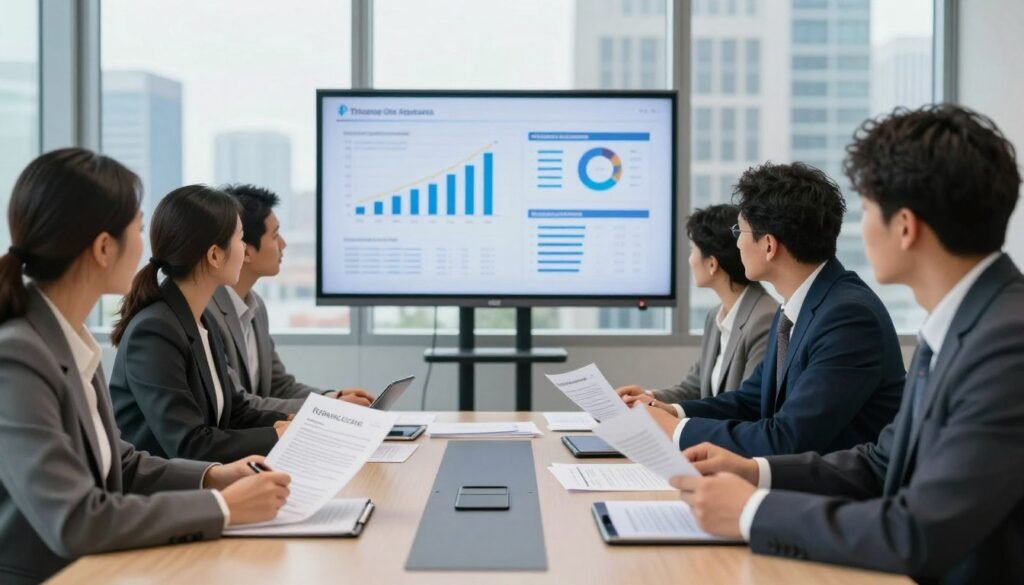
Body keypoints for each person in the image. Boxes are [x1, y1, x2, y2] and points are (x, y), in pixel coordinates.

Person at [672, 105, 1024, 584]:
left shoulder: (1007, 344)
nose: (858, 230)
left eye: (865, 211)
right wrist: (755, 473)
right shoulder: (961, 324)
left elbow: (917, 532)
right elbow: (881, 462)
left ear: (905, 226)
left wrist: (754, 512)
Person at [0, 149, 290, 584]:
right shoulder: (18, 356)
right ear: (103, 247)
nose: (145, 243)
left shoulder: (68, 339)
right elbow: (77, 519)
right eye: (136, 227)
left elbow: (119, 463)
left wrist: (214, 476)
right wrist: (223, 507)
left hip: (104, 565)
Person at [639, 162, 905, 456]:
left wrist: (674, 431)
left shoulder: (848, 318)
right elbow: (750, 401)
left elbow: (787, 438)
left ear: (768, 246)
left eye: (740, 230)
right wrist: (672, 412)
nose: (737, 242)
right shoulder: (794, 308)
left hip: (834, 495)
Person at [110, 185, 290, 462]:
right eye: (240, 239)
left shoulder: (201, 320)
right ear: (215, 255)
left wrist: (297, 424)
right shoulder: (155, 331)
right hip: (162, 495)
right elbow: (190, 444)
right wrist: (278, 436)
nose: (244, 249)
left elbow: (237, 411)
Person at [206, 184, 373, 414]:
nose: (283, 244)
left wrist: (333, 398)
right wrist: (329, 408)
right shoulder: (207, 313)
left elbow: (278, 385)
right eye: (274, 236)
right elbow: (239, 404)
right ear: (245, 249)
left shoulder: (256, 307)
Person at [617, 204, 776, 402]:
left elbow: (747, 405)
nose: (690, 259)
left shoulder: (765, 319)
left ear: (712, 264)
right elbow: (694, 387)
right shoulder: (716, 316)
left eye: (693, 250)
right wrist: (648, 397)